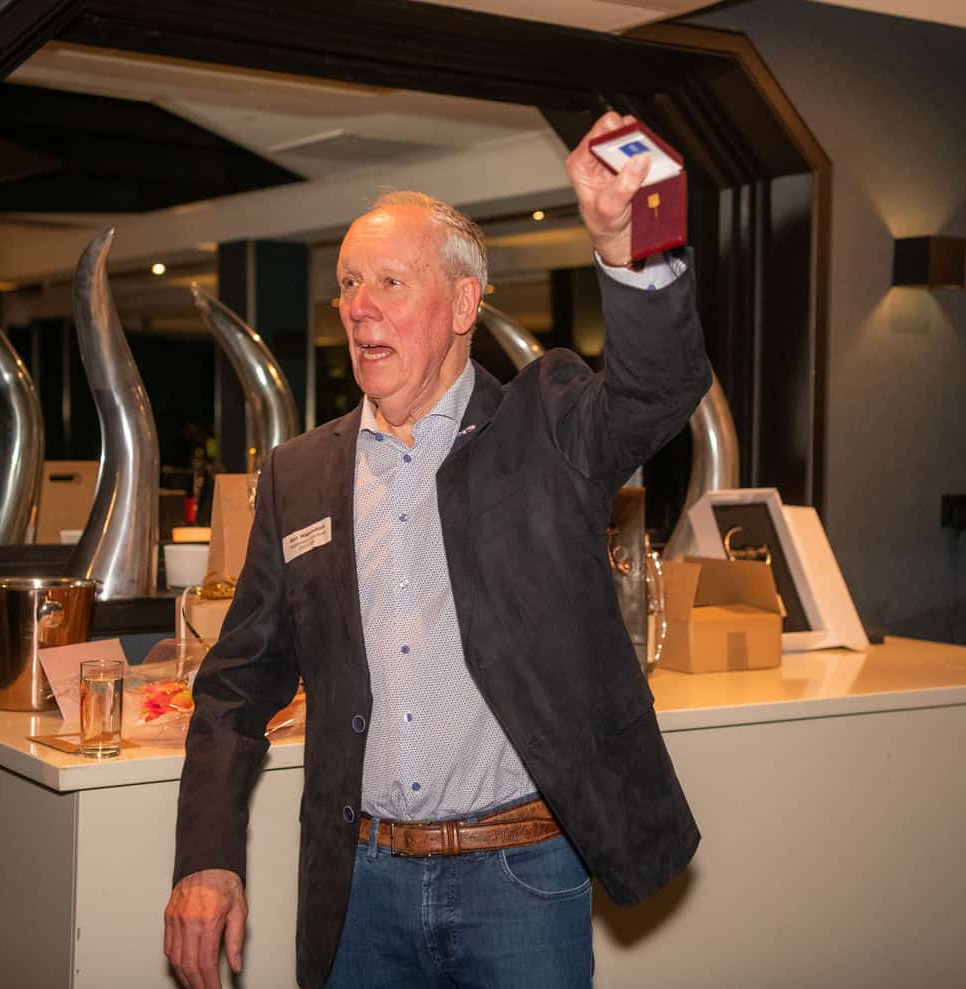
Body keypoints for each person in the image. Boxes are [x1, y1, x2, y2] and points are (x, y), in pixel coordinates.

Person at [164, 111, 712, 989]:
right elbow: (235, 687)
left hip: (520, 882)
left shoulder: (545, 423)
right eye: (349, 283)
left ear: (462, 304)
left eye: (390, 280)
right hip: (359, 892)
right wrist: (206, 856)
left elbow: (658, 389)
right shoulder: (300, 474)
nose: (359, 306)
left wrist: (629, 239)